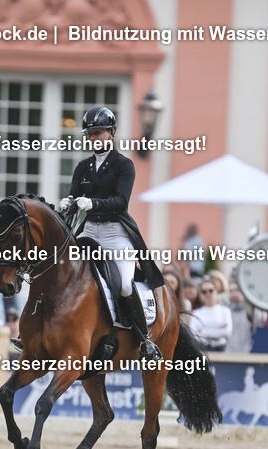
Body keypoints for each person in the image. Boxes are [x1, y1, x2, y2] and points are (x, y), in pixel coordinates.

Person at [58, 105, 165, 361]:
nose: (93, 138)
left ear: (111, 133)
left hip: (115, 233)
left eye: (98, 133)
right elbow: (74, 195)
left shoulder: (124, 165)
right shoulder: (82, 167)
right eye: (90, 134)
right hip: (90, 231)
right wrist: (68, 202)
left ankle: (145, 339)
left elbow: (121, 201)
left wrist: (93, 203)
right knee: (61, 271)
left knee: (125, 285)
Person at [190, 279, 232, 351]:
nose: (208, 294)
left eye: (211, 290)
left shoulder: (225, 311)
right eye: (204, 291)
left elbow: (227, 332)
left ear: (216, 291)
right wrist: (218, 330)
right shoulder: (196, 313)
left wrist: (203, 332)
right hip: (201, 349)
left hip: (221, 348)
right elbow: (193, 334)